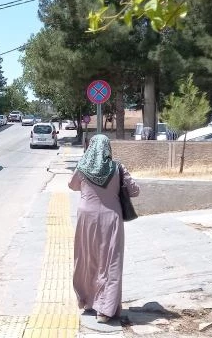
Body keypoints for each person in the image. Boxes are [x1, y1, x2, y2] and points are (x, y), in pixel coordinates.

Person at [68, 134, 140, 323]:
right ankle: (105, 310)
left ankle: (88, 301)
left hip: (87, 219)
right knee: (111, 262)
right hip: (111, 219)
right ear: (108, 148)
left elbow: (72, 185)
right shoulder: (118, 167)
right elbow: (134, 191)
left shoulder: (82, 167)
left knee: (87, 259)